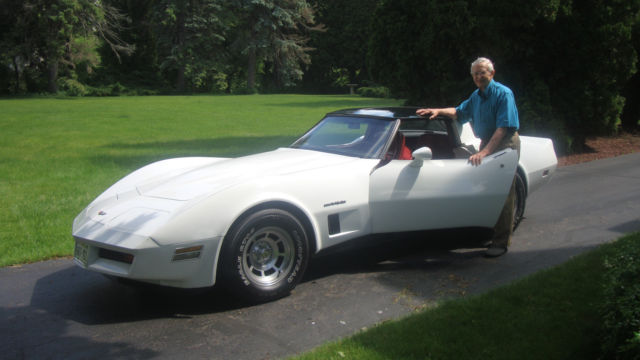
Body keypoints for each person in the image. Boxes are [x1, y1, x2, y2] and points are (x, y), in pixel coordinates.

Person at [416, 57, 520, 257]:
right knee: (486, 189)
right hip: (487, 141)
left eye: (482, 72)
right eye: (475, 74)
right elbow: (459, 112)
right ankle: (487, 231)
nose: (479, 76)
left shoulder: (503, 93)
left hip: (505, 142)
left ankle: (500, 242)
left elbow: (503, 127)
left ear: (492, 73)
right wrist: (437, 110)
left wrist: (484, 152)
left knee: (504, 192)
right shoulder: (476, 96)